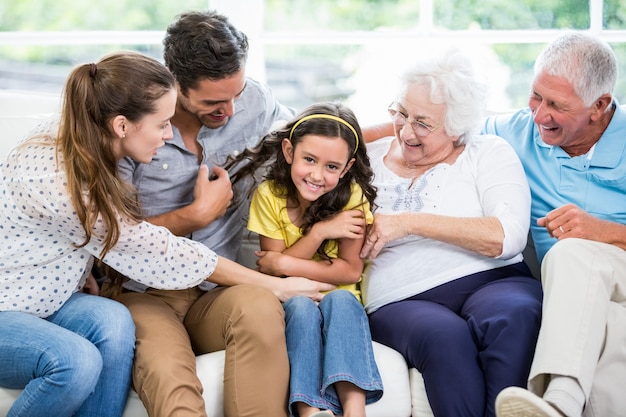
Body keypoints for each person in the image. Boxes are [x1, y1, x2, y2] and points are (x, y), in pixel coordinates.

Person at [111, 10, 334, 417]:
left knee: (261, 307)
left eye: (236, 94)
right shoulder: (136, 127)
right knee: (170, 376)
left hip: (220, 290)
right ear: (175, 83)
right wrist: (192, 217)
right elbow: (111, 237)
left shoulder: (254, 102)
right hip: (146, 294)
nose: (230, 111)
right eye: (213, 102)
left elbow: (319, 138)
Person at [0, 51, 205, 417]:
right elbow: (148, 247)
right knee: (75, 362)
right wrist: (274, 284)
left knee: (112, 321)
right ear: (122, 125)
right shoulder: (53, 171)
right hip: (6, 307)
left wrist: (79, 269)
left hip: (45, 298)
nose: (168, 134)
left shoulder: (82, 138)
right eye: (162, 123)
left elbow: (63, 234)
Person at [359, 49, 543, 417]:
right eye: (401, 114)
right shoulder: (367, 159)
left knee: (516, 313)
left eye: (423, 124)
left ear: (458, 126)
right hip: (402, 297)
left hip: (494, 280)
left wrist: (408, 222)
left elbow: (506, 237)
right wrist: (367, 132)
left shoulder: (488, 152)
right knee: (444, 337)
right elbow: (307, 146)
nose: (406, 131)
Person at [483, 32, 626, 417]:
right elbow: (436, 129)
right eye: (536, 96)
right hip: (577, 292)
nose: (539, 114)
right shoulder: (515, 132)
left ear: (600, 105)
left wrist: (607, 232)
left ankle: (559, 403)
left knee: (572, 252)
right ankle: (561, 405)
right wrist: (329, 132)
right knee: (612, 328)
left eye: (556, 105)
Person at [224, 102, 384, 417]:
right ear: (288, 151)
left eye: (331, 167)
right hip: (292, 297)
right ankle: (308, 409)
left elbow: (350, 271)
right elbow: (280, 280)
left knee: (341, 302)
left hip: (339, 296)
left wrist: (282, 263)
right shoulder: (270, 195)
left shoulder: (351, 197)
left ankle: (355, 410)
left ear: (347, 167)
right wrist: (319, 233)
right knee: (298, 306)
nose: (316, 175)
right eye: (309, 160)